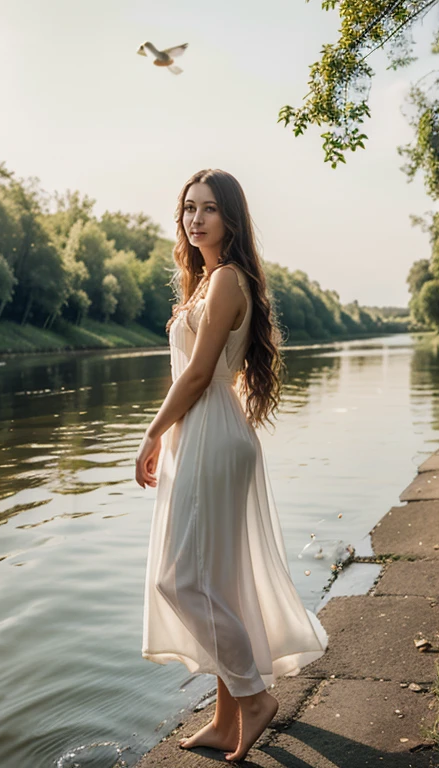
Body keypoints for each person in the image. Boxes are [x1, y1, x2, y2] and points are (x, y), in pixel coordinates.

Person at [135, 169, 328, 762]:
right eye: (189, 208)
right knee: (212, 581)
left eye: (210, 209)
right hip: (207, 431)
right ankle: (224, 719)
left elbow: (196, 374)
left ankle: (253, 696)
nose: (196, 219)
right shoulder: (208, 281)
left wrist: (150, 431)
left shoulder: (225, 280)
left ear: (232, 219)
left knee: (179, 578)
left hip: (210, 434)